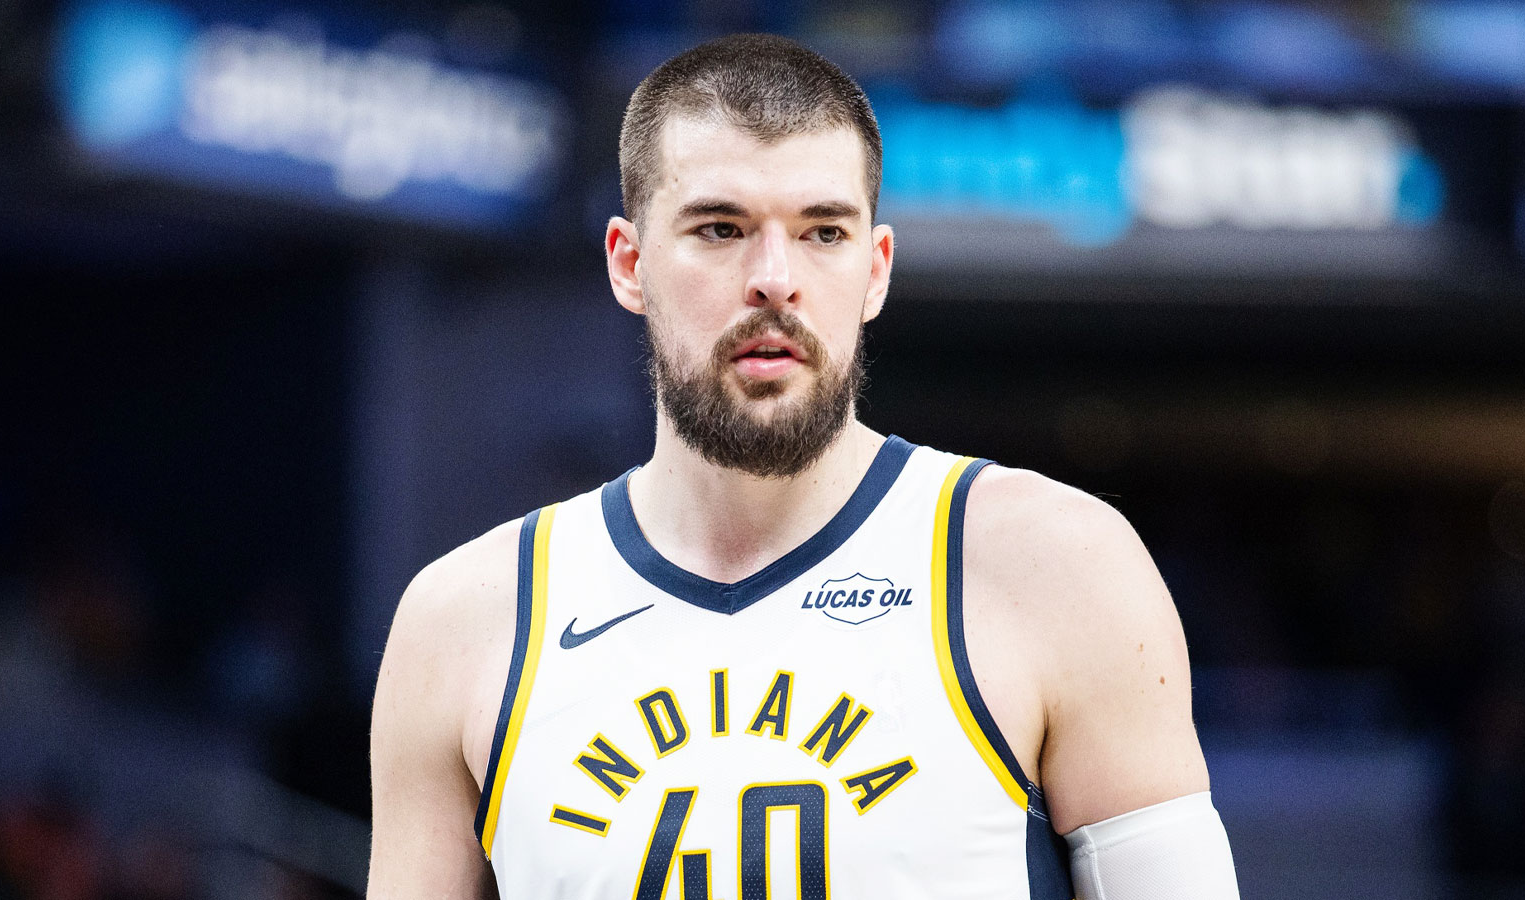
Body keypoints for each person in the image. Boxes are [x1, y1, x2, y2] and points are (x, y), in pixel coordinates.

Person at [369, 33, 1239, 900]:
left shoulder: (1055, 564)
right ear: (630, 264)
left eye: (824, 231)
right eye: (721, 228)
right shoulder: (465, 622)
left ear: (875, 269)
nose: (775, 280)